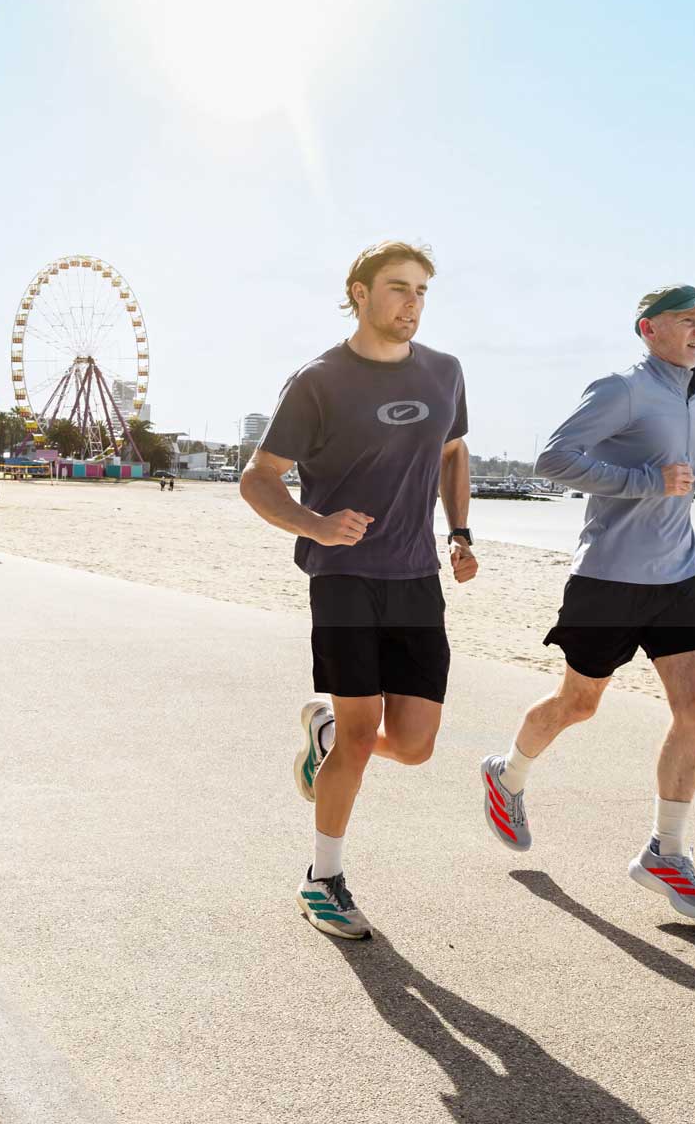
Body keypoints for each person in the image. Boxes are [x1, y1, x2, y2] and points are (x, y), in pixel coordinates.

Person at [241, 240, 478, 940]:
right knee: (357, 735)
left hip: (417, 577)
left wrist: (460, 532)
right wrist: (315, 524)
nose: (412, 302)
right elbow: (258, 478)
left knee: (413, 744)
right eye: (399, 287)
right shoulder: (318, 381)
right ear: (359, 293)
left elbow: (453, 452)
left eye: (422, 290)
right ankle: (323, 880)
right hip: (342, 578)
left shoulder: (445, 372)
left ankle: (322, 733)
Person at [480, 284, 695, 921]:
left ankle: (666, 853)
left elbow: (672, 474)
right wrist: (649, 480)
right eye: (687, 319)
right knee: (579, 703)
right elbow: (553, 460)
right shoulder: (621, 388)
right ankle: (507, 775)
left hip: (679, 575)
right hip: (609, 577)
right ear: (649, 329)